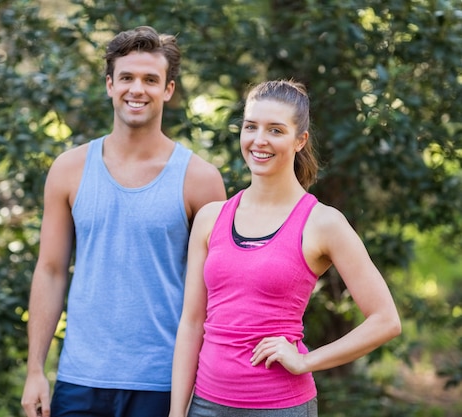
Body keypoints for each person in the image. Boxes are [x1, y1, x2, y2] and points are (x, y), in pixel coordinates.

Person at [21, 26, 226, 417]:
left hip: (165, 383)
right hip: (80, 381)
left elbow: (217, 291)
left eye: (151, 79)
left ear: (168, 89)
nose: (138, 89)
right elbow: (49, 271)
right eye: (128, 78)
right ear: (110, 84)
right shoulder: (69, 170)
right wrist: (35, 371)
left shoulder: (200, 180)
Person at [169, 79, 402, 417]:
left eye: (275, 130)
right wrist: (178, 412)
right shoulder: (211, 218)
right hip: (206, 404)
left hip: (280, 407)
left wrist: (306, 360)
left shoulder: (322, 223)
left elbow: (385, 320)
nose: (259, 140)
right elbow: (191, 322)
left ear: (299, 140)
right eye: (251, 127)